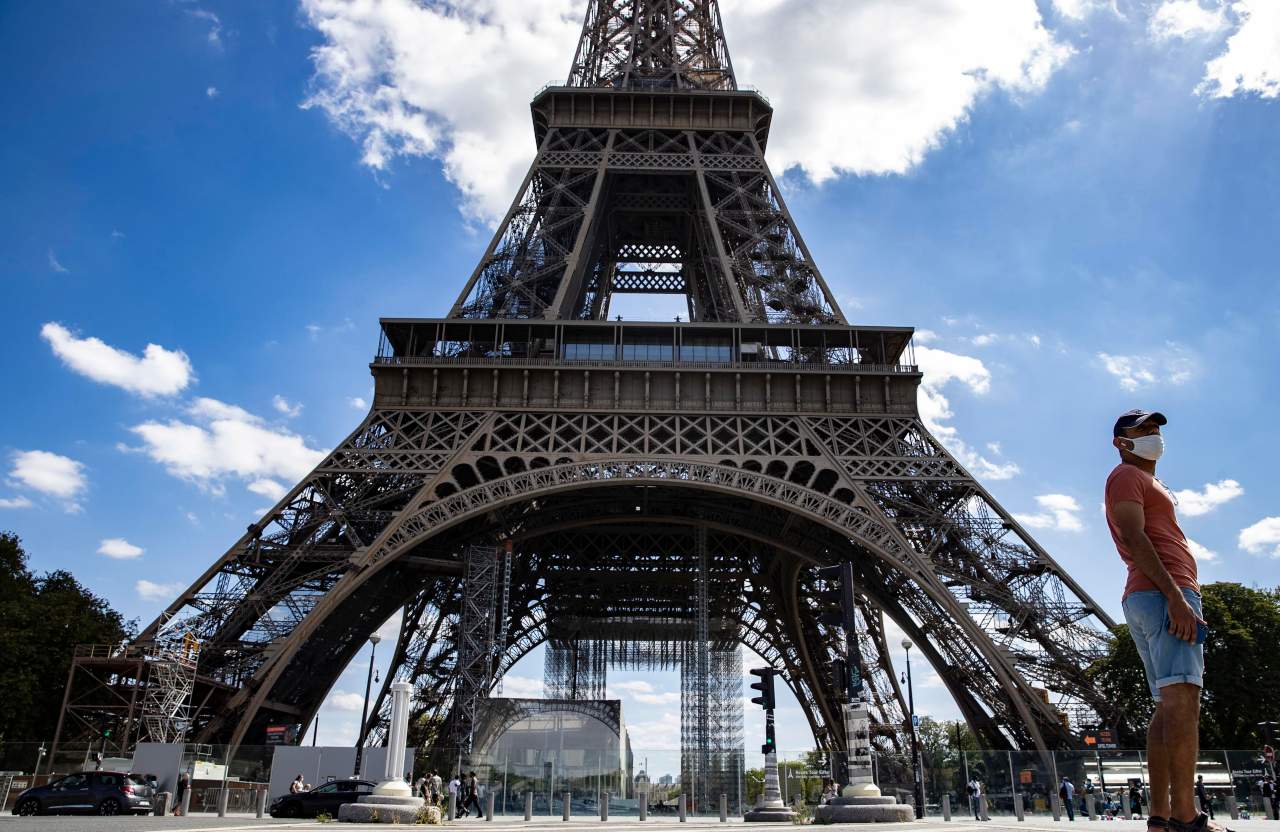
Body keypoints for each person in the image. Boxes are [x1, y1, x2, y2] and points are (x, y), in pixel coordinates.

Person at [1105, 409, 1226, 832]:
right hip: (1162, 593)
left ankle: (1160, 815)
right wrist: (1176, 596)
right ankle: (1186, 817)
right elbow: (1134, 536)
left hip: (1150, 595)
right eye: (1144, 429)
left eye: (1156, 428)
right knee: (1183, 702)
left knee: (1165, 705)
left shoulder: (1149, 482)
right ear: (1122, 442)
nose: (1154, 434)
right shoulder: (1127, 477)